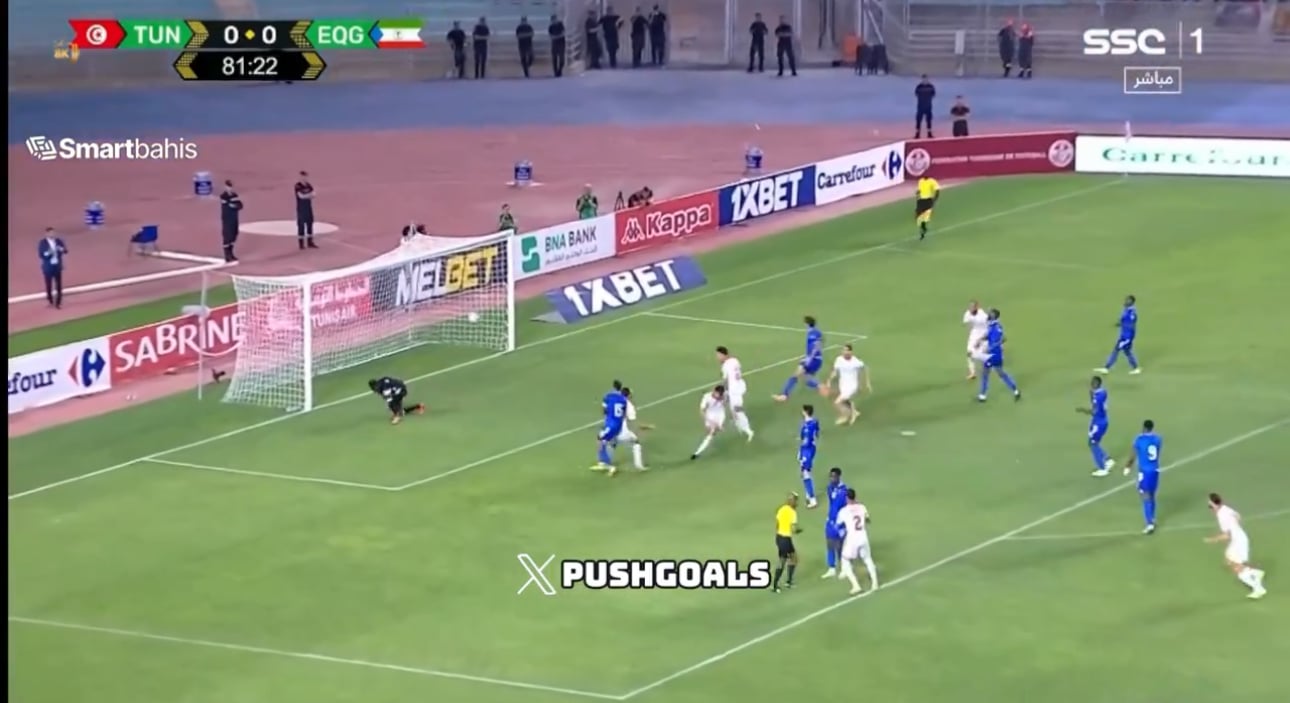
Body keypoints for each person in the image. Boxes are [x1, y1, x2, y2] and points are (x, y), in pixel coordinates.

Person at [1206, 493, 1268, 599]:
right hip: (1238, 539)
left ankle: (1258, 588)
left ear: (1213, 504)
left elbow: (1227, 536)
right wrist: (1234, 527)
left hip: (1239, 542)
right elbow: (1238, 516)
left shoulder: (1221, 516)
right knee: (1229, 560)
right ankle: (1255, 573)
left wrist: (1213, 539)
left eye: (1209, 502)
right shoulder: (1225, 508)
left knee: (1237, 569)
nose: (1208, 504)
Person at [835, 488, 879, 594]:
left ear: (847, 498)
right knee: (868, 559)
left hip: (852, 539)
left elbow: (838, 524)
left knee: (845, 560)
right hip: (863, 537)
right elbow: (868, 520)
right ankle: (875, 583)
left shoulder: (843, 511)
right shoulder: (862, 507)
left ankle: (856, 586)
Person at [1123, 420, 1162, 533]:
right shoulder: (1158, 439)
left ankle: (1149, 524)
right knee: (1152, 495)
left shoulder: (1139, 440)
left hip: (1145, 472)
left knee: (1145, 496)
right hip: (1155, 470)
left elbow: (1133, 455)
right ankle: (1152, 518)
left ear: (1144, 428)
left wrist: (1128, 467)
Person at [976, 308, 1022, 402]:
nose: (988, 314)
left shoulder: (996, 327)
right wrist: (980, 339)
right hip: (997, 355)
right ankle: (1015, 390)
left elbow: (1002, 339)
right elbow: (989, 336)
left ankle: (982, 395)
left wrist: (990, 348)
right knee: (1001, 374)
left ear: (994, 315)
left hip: (992, 355)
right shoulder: (993, 325)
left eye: (990, 313)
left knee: (985, 373)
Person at [774, 315, 824, 401]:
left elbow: (817, 346)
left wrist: (809, 359)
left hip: (814, 360)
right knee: (806, 379)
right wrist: (806, 358)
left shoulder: (815, 333)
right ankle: (820, 386)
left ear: (807, 323)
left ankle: (784, 395)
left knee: (796, 375)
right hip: (813, 359)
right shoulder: (811, 332)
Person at [716, 345, 755, 441]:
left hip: (734, 390)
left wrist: (722, 391)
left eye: (719, 355)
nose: (718, 358)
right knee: (734, 408)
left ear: (724, 355)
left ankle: (748, 430)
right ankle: (737, 420)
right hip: (740, 385)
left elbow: (725, 380)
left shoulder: (725, 366)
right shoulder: (735, 360)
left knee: (737, 410)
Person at [1095, 295, 1141, 375]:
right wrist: (1120, 324)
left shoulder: (1131, 312)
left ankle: (1106, 368)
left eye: (1128, 300)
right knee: (1127, 352)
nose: (1125, 301)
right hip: (1124, 335)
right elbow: (1125, 321)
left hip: (1127, 337)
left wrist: (1129, 337)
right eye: (1126, 300)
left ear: (1132, 302)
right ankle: (1136, 368)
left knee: (1116, 349)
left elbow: (1131, 324)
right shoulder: (1126, 310)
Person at [825, 344, 868, 426]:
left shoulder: (855, 361)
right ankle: (854, 412)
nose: (845, 352)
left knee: (837, 403)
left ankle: (846, 416)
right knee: (845, 400)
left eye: (847, 350)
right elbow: (835, 371)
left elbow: (864, 367)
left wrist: (866, 383)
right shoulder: (839, 359)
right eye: (844, 350)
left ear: (851, 352)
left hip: (852, 386)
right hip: (843, 385)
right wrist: (829, 380)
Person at [1081, 376, 1115, 476]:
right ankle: (1108, 459)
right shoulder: (1103, 392)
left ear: (1097, 384)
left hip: (1098, 422)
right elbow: (1094, 402)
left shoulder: (1097, 397)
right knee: (1094, 442)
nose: (1091, 384)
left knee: (1093, 443)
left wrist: (1083, 410)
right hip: (1103, 420)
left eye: (1093, 382)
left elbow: (1094, 411)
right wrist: (1091, 394)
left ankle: (1102, 468)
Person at [592, 380, 628, 474]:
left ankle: (608, 465)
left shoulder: (608, 396)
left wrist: (607, 418)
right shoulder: (623, 399)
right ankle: (602, 462)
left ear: (613, 386)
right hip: (618, 425)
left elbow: (604, 409)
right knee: (604, 441)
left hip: (611, 425)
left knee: (600, 439)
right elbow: (623, 413)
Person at [820, 468, 850, 579]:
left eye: (834, 476)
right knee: (830, 544)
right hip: (830, 520)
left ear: (838, 477)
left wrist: (843, 521)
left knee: (840, 546)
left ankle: (844, 568)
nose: (831, 479)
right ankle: (831, 568)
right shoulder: (830, 488)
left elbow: (845, 506)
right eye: (830, 476)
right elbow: (832, 503)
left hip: (841, 521)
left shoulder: (844, 490)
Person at [615, 386, 650, 470]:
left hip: (611, 431)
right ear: (629, 395)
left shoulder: (614, 401)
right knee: (636, 442)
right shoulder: (629, 406)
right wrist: (646, 427)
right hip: (622, 433)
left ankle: (604, 463)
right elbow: (634, 423)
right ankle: (639, 466)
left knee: (608, 442)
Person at [772, 492, 801, 593]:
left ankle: (788, 582)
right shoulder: (792, 513)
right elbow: (793, 529)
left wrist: (779, 534)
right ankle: (775, 585)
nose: (796, 503)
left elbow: (777, 524)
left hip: (779, 537)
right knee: (783, 561)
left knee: (793, 558)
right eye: (795, 500)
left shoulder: (781, 509)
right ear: (792, 501)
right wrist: (798, 531)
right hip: (785, 539)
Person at [690, 384, 727, 460]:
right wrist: (710, 421)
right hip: (709, 416)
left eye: (720, 395)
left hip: (720, 415)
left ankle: (697, 453)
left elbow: (725, 402)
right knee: (710, 431)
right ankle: (698, 452)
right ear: (714, 391)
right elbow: (702, 411)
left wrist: (719, 425)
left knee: (712, 433)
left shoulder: (724, 396)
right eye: (717, 394)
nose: (718, 396)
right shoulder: (707, 397)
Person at [37, 227, 68, 309]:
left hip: (57, 266)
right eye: (50, 233)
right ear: (46, 234)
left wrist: (61, 249)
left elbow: (65, 251)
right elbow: (41, 255)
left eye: (53, 233)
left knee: (59, 285)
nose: (52, 234)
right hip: (48, 268)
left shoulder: (58, 241)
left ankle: (58, 302)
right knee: (48, 285)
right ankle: (50, 301)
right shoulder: (42, 243)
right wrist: (48, 253)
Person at [797, 404, 821, 508]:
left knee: (805, 474)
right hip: (812, 448)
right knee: (805, 472)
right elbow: (817, 434)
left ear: (805, 412)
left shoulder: (805, 426)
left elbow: (803, 439)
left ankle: (812, 499)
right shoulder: (815, 421)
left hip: (807, 450)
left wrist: (801, 452)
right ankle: (808, 493)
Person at [963, 300, 989, 380]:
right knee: (969, 353)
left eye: (973, 307)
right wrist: (971, 336)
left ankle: (988, 363)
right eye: (970, 307)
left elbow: (988, 326)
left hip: (983, 334)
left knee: (980, 354)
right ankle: (972, 373)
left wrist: (981, 339)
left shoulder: (983, 315)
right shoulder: (967, 314)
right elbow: (968, 324)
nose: (971, 308)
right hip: (974, 335)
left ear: (977, 307)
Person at [219, 179, 242, 263]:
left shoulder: (235, 195)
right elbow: (228, 206)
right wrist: (234, 206)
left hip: (234, 218)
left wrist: (234, 206)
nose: (229, 188)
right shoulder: (223, 196)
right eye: (228, 186)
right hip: (227, 219)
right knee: (227, 236)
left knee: (234, 234)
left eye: (230, 186)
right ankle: (227, 255)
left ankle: (231, 253)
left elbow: (240, 205)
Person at [294, 170, 318, 250]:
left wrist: (307, 195)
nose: (304, 178)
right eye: (302, 177)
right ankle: (301, 244)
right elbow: (301, 196)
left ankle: (310, 242)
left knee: (310, 224)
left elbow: (314, 194)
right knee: (301, 225)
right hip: (301, 209)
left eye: (305, 177)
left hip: (308, 208)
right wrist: (309, 195)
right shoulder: (298, 186)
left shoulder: (309, 185)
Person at [915, 174, 939, 240]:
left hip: (929, 200)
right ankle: (923, 227)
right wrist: (917, 194)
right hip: (921, 200)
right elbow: (919, 189)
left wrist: (935, 199)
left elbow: (937, 191)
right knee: (918, 214)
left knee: (925, 215)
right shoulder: (920, 181)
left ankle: (923, 228)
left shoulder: (932, 181)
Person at [914, 74, 936, 138]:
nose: (925, 80)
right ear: (922, 79)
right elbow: (916, 94)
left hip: (928, 106)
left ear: (927, 79)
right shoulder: (919, 87)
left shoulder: (931, 86)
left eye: (926, 79)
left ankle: (929, 133)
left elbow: (933, 94)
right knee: (918, 120)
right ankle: (917, 134)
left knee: (928, 120)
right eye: (923, 79)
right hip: (920, 106)